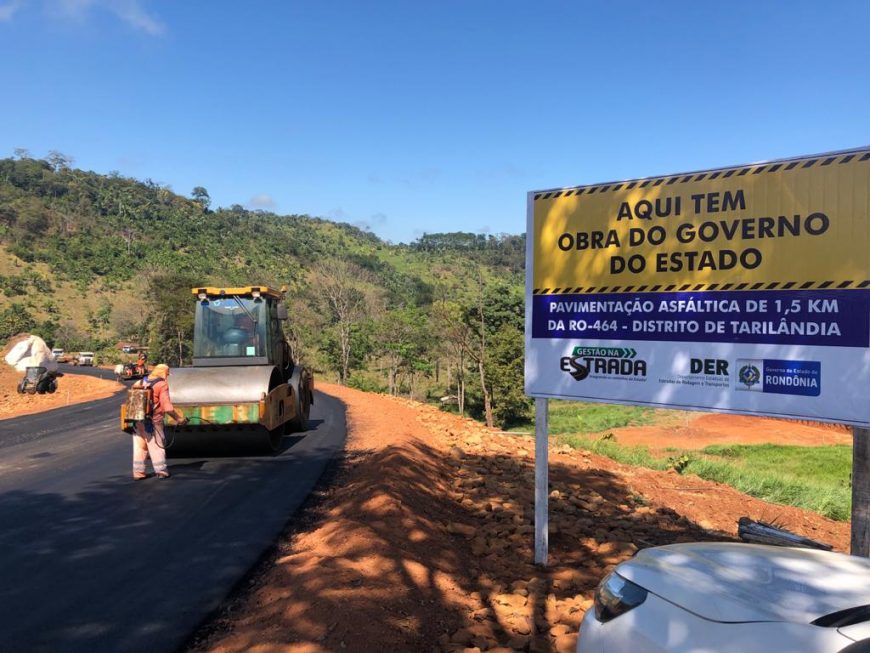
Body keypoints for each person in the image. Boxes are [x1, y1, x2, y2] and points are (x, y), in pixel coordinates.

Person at [132, 363, 187, 480]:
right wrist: (179, 419)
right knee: (157, 445)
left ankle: (138, 472)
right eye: (167, 373)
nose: (167, 376)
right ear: (163, 372)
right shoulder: (162, 385)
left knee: (140, 446)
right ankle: (161, 471)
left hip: (137, 421)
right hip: (153, 423)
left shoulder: (140, 382)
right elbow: (167, 408)